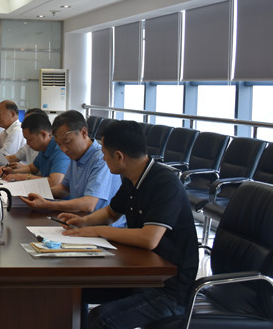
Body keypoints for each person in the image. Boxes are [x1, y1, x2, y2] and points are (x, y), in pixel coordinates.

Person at [58, 120, 198, 329]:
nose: (103, 159)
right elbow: (110, 213)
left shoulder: (165, 184)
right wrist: (82, 222)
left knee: (101, 319)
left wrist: (98, 231)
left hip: (168, 287)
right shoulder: (131, 177)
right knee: (73, 290)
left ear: (119, 156)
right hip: (140, 274)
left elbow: (149, 239)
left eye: (105, 154)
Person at [20, 110, 123, 221]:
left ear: (84, 132)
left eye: (67, 142)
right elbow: (64, 189)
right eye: (59, 144)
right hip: (79, 220)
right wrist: (33, 192)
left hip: (102, 226)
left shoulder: (101, 159)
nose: (64, 149)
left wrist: (48, 204)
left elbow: (89, 204)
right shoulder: (76, 155)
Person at [0, 111, 69, 186]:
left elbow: (54, 182)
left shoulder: (59, 151)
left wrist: (23, 177)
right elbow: (31, 169)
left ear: (43, 135)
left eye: (30, 139)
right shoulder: (43, 149)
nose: (27, 143)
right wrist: (13, 172)